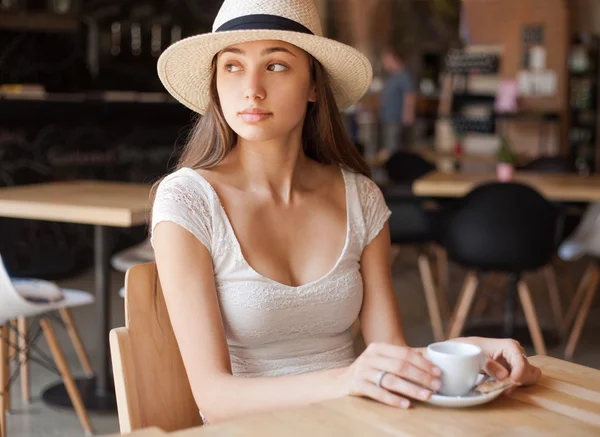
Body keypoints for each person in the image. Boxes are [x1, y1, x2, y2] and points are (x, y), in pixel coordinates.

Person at [150, 0, 541, 426]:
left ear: (314, 85)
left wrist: (464, 356)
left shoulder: (361, 198)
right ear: (215, 82)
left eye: (276, 65)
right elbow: (214, 396)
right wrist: (348, 380)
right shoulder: (189, 202)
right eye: (232, 66)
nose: (252, 88)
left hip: (352, 425)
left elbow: (386, 353)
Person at [377, 47, 416, 164]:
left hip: (396, 118)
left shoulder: (404, 76)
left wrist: (408, 115)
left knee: (393, 147)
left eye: (387, 61)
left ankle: (396, 170)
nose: (385, 64)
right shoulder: (391, 77)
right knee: (387, 145)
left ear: (395, 59)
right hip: (387, 117)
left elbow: (410, 97)